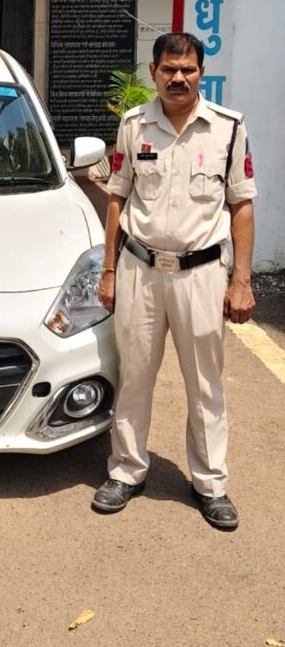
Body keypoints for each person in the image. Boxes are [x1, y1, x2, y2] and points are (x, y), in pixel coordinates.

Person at [92, 32, 256, 531]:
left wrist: (241, 280)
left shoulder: (228, 128)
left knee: (205, 383)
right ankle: (126, 470)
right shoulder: (133, 125)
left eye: (188, 69)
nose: (178, 78)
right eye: (169, 69)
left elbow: (241, 205)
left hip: (201, 275)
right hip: (140, 270)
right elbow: (117, 198)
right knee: (134, 376)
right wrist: (109, 270)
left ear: (201, 72)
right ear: (153, 72)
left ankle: (210, 483)